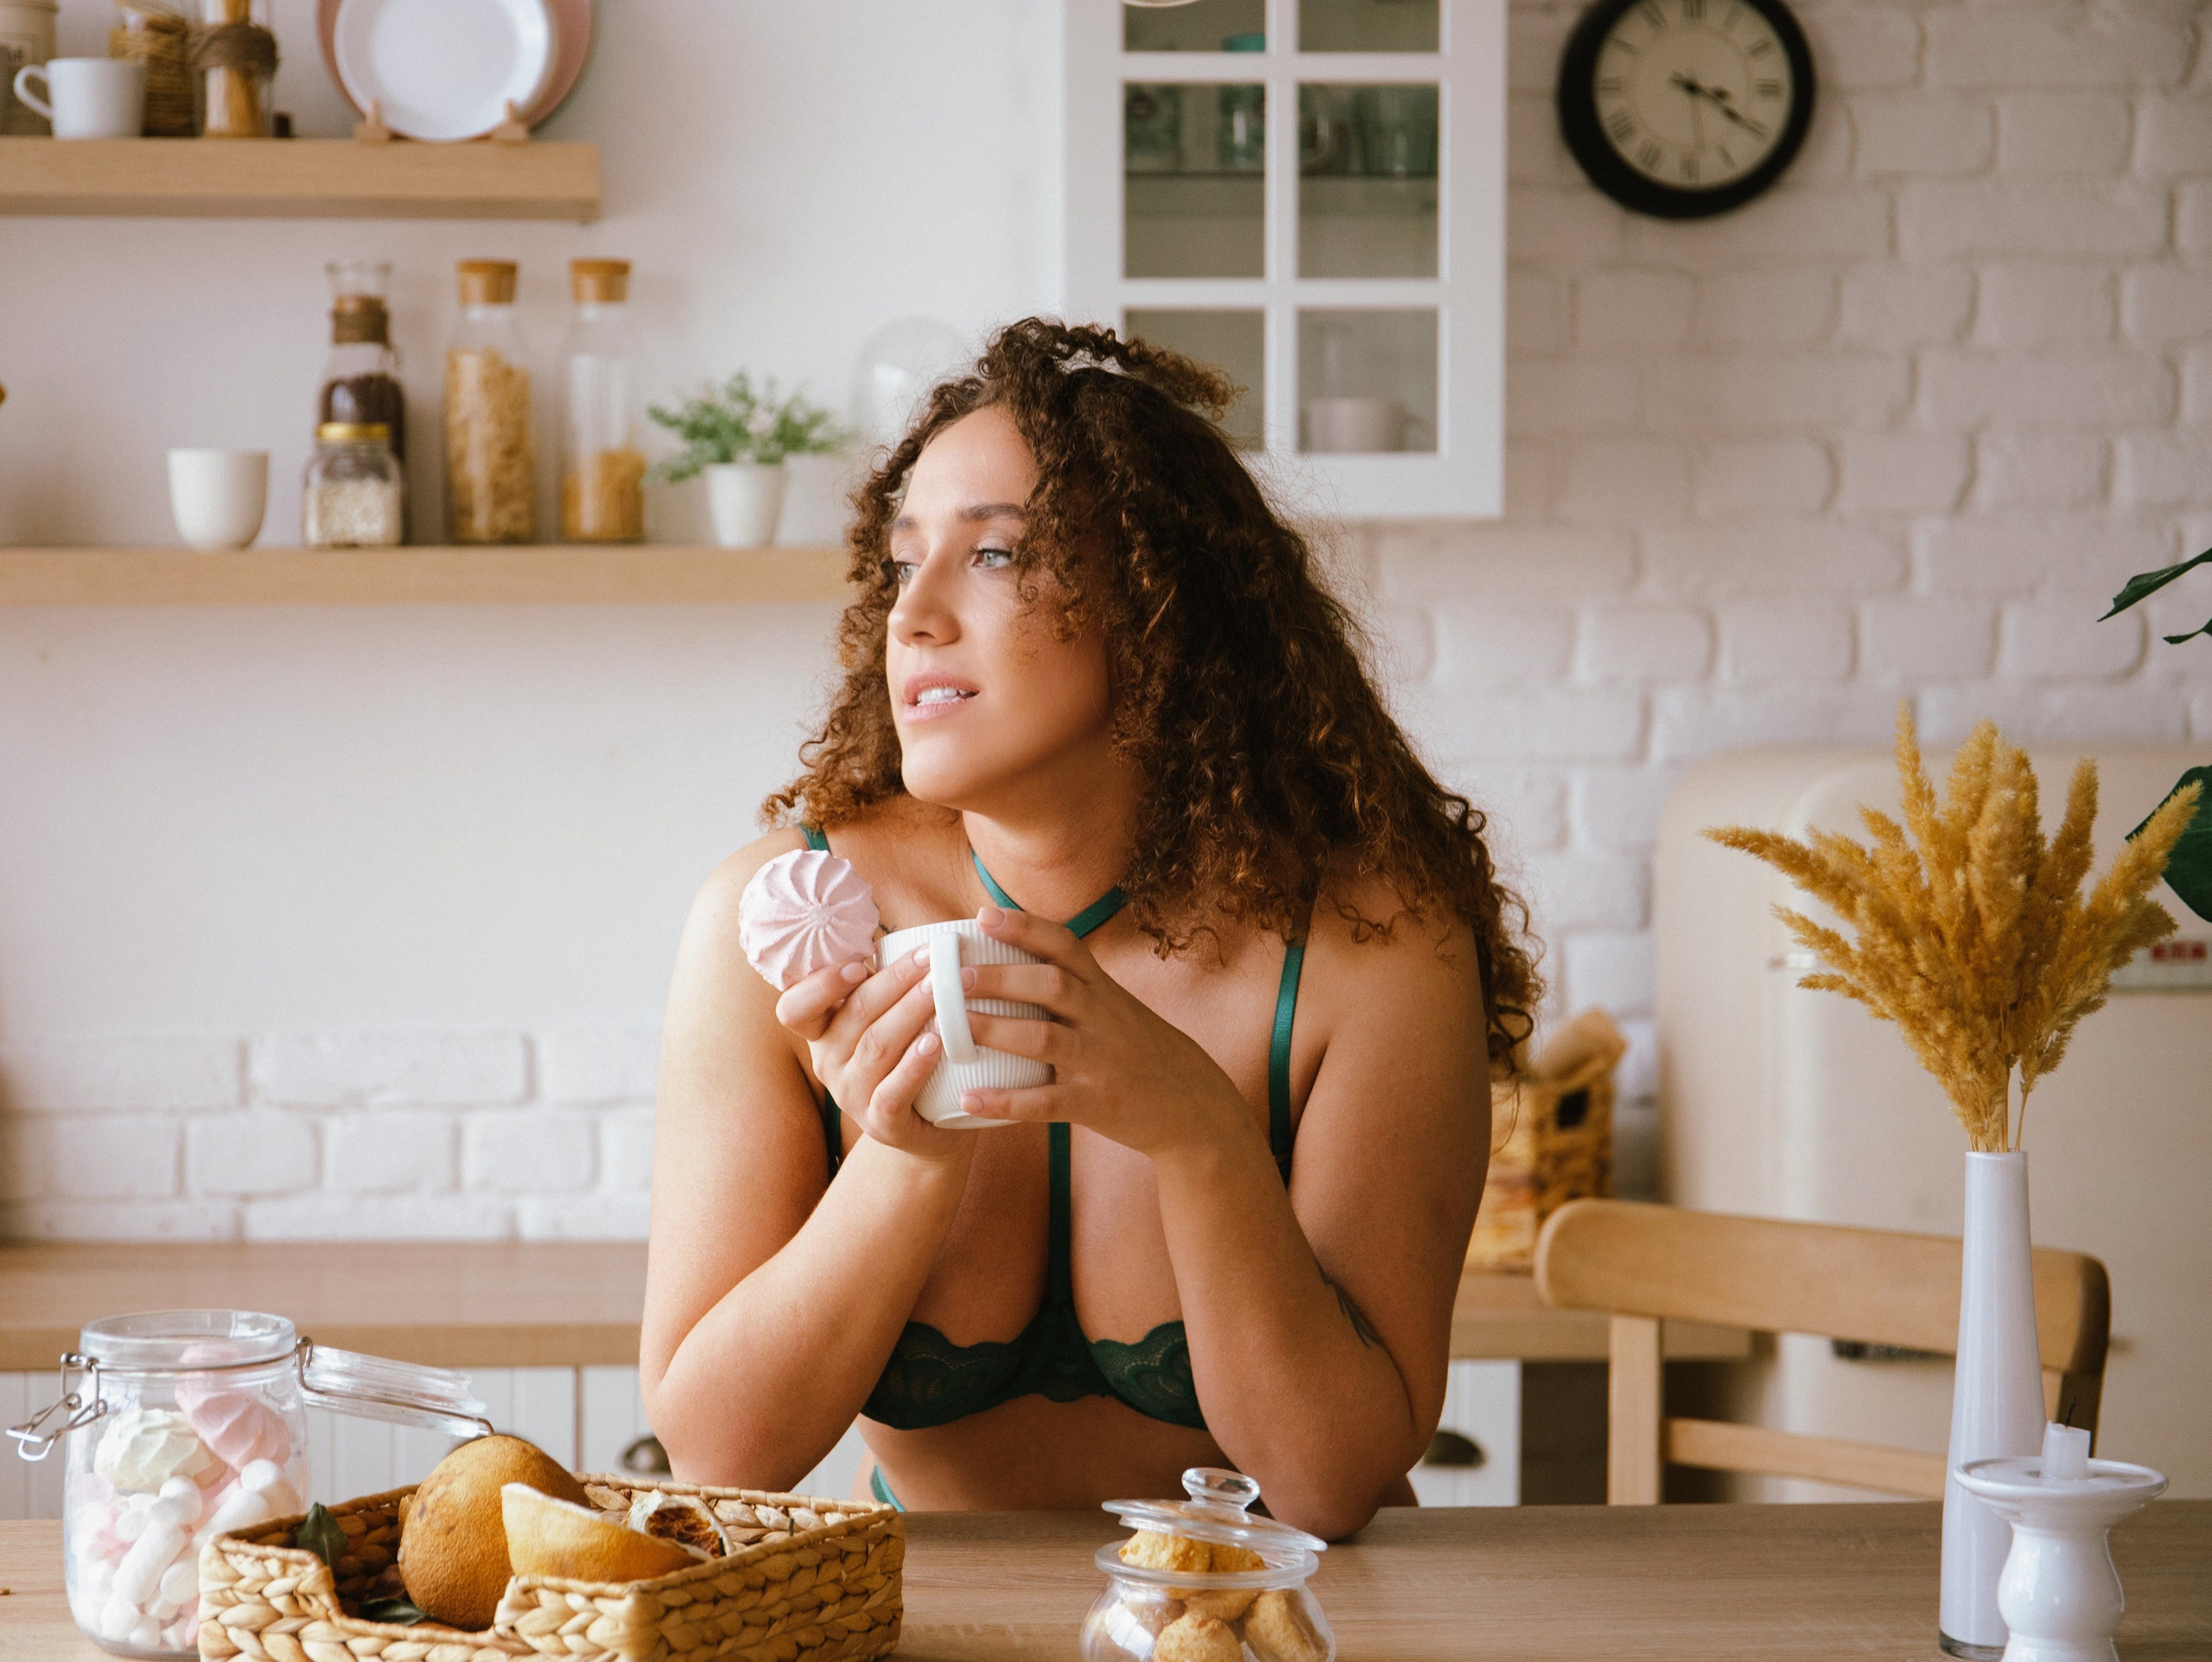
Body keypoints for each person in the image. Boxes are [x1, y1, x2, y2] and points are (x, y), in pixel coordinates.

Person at [640, 319, 1537, 1540]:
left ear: (1165, 608)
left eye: (998, 554)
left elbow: (1330, 1487)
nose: (916, 613)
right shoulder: (781, 922)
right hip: (929, 1627)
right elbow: (720, 1448)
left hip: (1262, 1623)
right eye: (904, 562)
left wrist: (1200, 1131)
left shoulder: (1371, 952)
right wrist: (909, 1148)